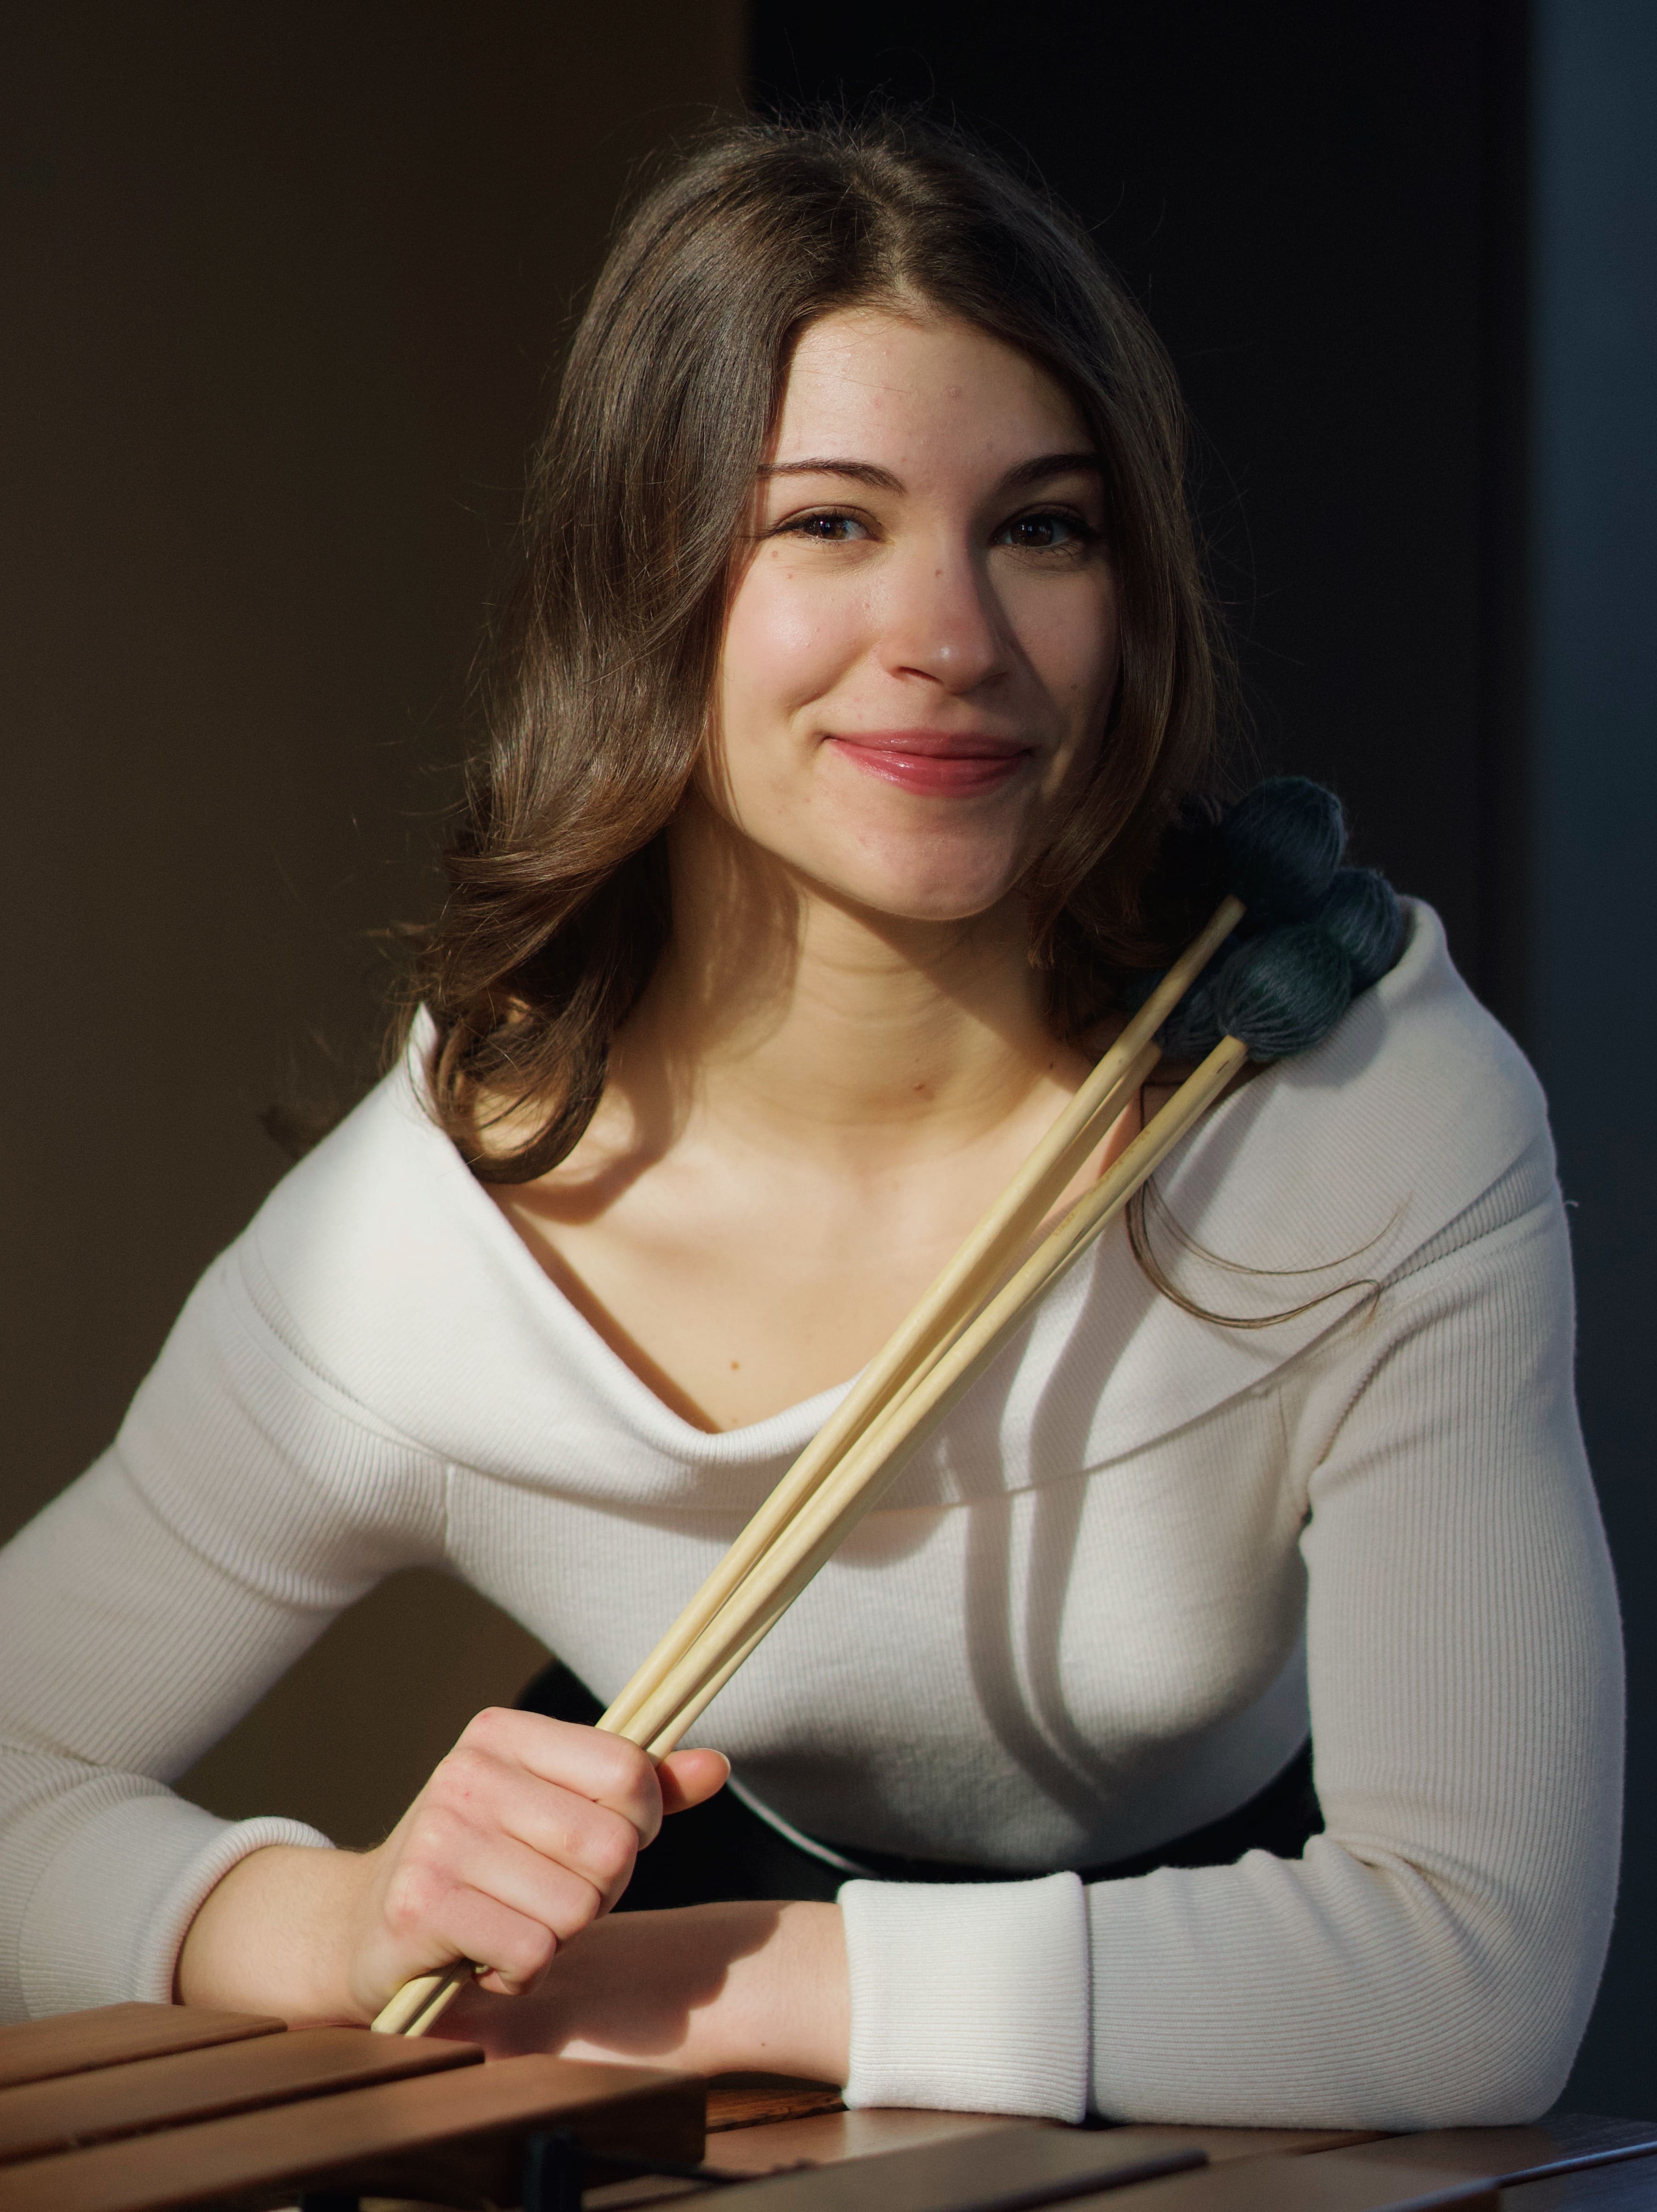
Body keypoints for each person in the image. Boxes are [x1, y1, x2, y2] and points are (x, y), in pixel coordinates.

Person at [0, 116, 1621, 2130]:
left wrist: (708, 1974)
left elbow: (1471, 1976)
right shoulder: (432, 1244)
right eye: (828, 524)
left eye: (1043, 526)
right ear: (644, 576)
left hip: (1234, 2072)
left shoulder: (1357, 1103)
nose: (949, 637)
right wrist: (334, 1921)